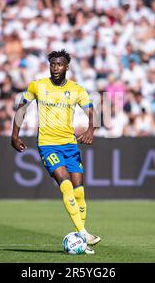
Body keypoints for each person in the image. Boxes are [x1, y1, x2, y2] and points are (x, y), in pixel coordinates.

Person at [11, 49, 101, 255]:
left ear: (67, 67)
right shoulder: (38, 86)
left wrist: (90, 130)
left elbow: (92, 113)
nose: (55, 68)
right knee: (65, 184)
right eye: (52, 64)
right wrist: (14, 136)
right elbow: (21, 109)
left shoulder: (77, 90)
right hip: (47, 144)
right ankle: (83, 232)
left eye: (59, 65)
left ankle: (82, 238)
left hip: (70, 144)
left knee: (79, 192)